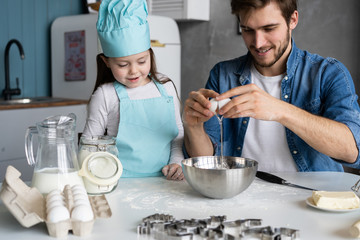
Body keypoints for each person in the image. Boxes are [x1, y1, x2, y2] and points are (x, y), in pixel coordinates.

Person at [183, 0, 360, 172]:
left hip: (310, 197)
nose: (258, 43)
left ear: (293, 20)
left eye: (269, 28)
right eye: (247, 30)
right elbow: (207, 158)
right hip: (242, 196)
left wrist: (280, 110)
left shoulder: (328, 73)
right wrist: (193, 127)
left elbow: (352, 150)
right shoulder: (222, 75)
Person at [82, 0, 184, 180]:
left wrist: (176, 163)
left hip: (165, 182)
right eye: (123, 64)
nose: (134, 71)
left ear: (150, 54)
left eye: (142, 61)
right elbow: (89, 146)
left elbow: (176, 137)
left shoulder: (166, 88)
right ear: (107, 62)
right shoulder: (105, 95)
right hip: (119, 183)